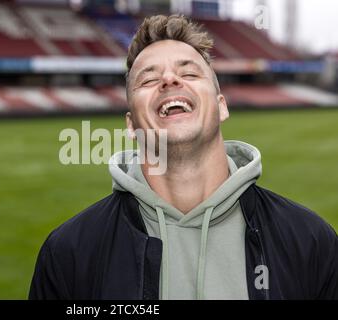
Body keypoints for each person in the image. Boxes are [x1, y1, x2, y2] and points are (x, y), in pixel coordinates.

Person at [29, 14, 337, 300]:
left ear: (222, 107)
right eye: (148, 80)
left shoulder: (311, 241)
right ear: (131, 125)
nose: (169, 80)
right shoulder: (69, 253)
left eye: (188, 72)